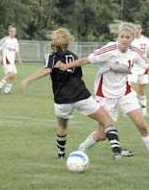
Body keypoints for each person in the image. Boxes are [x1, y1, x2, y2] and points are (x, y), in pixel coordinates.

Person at [55, 22, 149, 164]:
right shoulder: (109, 49)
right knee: (102, 135)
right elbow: (86, 60)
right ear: (118, 37)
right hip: (105, 95)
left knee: (142, 125)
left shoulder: (135, 52)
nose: (125, 39)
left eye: (128, 37)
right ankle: (82, 148)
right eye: (122, 37)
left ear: (132, 39)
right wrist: (66, 66)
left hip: (125, 93)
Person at [20, 28, 126, 160]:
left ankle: (61, 155)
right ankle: (116, 150)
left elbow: (47, 69)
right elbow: (78, 76)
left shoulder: (51, 56)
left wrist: (28, 79)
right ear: (68, 42)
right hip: (82, 96)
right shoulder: (74, 57)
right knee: (107, 121)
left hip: (62, 99)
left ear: (55, 41)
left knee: (62, 126)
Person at [128, 24, 149, 116]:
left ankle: (144, 112)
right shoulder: (130, 40)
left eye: (138, 29)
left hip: (143, 69)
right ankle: (130, 110)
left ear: (141, 30)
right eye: (135, 29)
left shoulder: (146, 41)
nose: (137, 31)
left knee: (142, 91)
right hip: (132, 68)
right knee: (130, 90)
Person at [0, 25, 22, 94]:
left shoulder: (15, 40)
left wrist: (19, 59)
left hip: (12, 60)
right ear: (8, 32)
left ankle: (7, 90)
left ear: (15, 32)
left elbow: (17, 51)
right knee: (10, 73)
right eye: (11, 31)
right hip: (6, 59)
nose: (12, 33)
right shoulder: (5, 39)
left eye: (14, 31)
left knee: (14, 75)